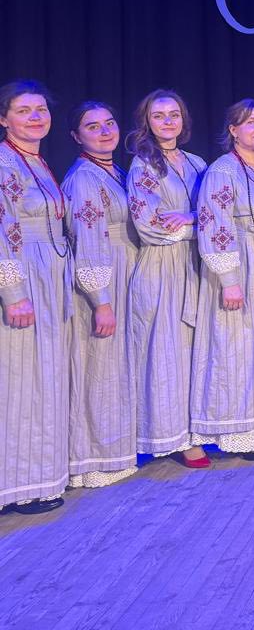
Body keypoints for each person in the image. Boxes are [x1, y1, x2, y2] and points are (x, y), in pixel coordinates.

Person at [191, 99, 254, 458]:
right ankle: (243, 432)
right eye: (250, 122)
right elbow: (214, 225)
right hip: (241, 263)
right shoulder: (222, 171)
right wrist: (229, 279)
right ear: (233, 130)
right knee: (241, 346)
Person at [125, 89, 210, 468]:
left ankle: (196, 429)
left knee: (194, 351)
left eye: (174, 114)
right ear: (147, 121)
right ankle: (172, 436)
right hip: (161, 267)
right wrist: (199, 227)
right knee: (166, 352)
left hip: (195, 264)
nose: (167, 121)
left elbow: (214, 212)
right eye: (158, 116)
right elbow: (151, 225)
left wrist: (191, 219)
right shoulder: (143, 166)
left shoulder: (197, 163)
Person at [0, 80, 72, 514]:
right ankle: (14, 485)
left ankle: (36, 480)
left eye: (41, 110)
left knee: (40, 378)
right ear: (3, 118)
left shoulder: (36, 162)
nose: (35, 117)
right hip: (23, 273)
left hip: (46, 275)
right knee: (18, 379)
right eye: (24, 110)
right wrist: (13, 294)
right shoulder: (4, 163)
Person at [63, 102, 138, 489]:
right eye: (93, 126)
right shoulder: (84, 179)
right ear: (76, 136)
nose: (105, 131)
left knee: (115, 366)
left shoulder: (115, 171)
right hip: (103, 278)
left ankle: (115, 452)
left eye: (109, 123)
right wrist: (101, 301)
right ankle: (92, 460)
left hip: (122, 272)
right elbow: (88, 241)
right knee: (98, 366)